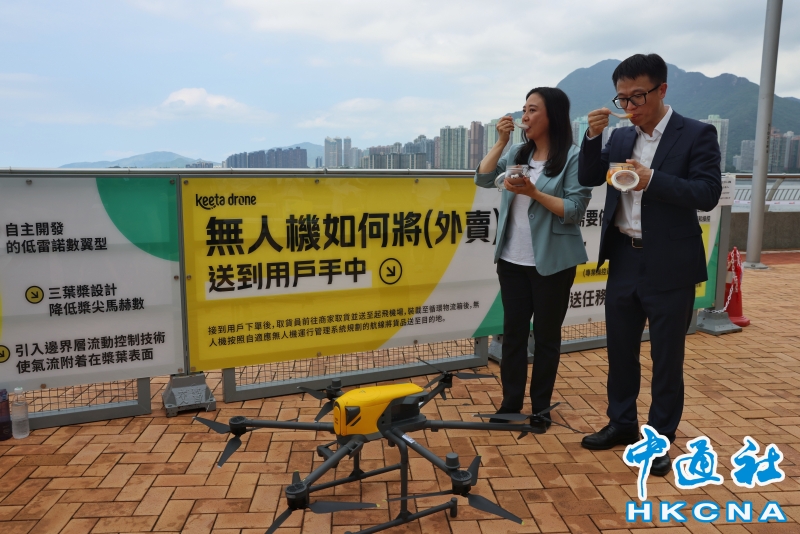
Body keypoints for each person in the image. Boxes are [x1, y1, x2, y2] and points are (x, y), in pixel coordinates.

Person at [577, 54, 722, 475]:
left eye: (637, 96)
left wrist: (652, 179)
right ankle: (621, 423)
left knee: (666, 357)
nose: (629, 106)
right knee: (620, 350)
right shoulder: (621, 137)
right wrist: (592, 137)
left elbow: (707, 193)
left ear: (662, 90)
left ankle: (659, 439)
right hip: (624, 255)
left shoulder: (696, 133)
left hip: (670, 262)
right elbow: (588, 176)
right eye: (622, 99)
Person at [475, 87, 592, 433]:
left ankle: (541, 408)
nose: (524, 117)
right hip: (512, 259)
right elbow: (483, 178)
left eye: (532, 110)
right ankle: (510, 404)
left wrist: (534, 192)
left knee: (546, 337)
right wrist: (500, 142)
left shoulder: (573, 157)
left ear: (552, 116)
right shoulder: (517, 152)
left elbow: (574, 210)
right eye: (524, 110)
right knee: (512, 335)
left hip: (553, 262)